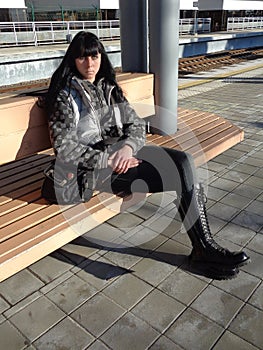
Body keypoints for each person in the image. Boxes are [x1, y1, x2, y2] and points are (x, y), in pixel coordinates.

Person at [44, 31, 250, 280]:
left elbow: (137, 126)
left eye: (94, 57)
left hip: (122, 155)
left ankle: (203, 247)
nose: (89, 64)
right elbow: (64, 148)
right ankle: (203, 250)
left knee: (184, 163)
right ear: (72, 60)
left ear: (101, 57)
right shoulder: (64, 96)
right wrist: (109, 160)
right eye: (82, 58)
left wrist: (127, 149)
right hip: (92, 169)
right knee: (180, 176)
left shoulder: (108, 87)